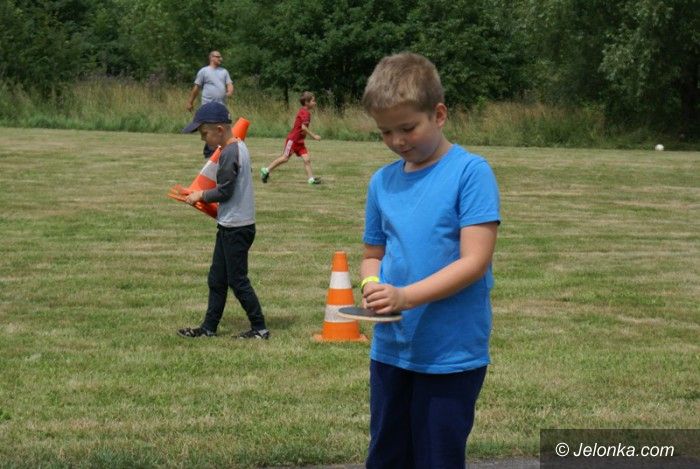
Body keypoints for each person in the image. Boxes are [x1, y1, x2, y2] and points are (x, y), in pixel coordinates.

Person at [359, 52, 500, 468]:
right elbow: (372, 255)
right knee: (386, 457)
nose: (397, 141)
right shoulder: (381, 182)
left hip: (450, 354)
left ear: (439, 114)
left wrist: (405, 296)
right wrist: (371, 286)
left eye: (407, 128)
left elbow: (474, 261)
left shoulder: (470, 172)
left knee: (437, 458)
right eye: (385, 132)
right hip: (392, 350)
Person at [177, 102, 270, 340]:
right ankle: (209, 328)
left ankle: (260, 328)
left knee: (238, 281)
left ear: (219, 129)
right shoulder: (238, 146)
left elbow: (225, 191)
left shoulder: (229, 153)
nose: (202, 139)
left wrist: (200, 195)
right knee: (217, 278)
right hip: (231, 225)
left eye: (204, 133)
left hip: (236, 228)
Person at [259, 91, 321, 185]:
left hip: (300, 142)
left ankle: (311, 179)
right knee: (285, 158)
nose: (315, 103)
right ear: (306, 102)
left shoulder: (305, 112)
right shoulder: (305, 113)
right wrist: (314, 136)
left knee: (307, 159)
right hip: (293, 140)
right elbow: (303, 128)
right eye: (313, 101)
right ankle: (266, 170)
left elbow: (303, 129)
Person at [185, 51, 234, 158]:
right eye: (218, 57)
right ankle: (209, 153)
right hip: (208, 107)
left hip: (221, 107)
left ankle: (221, 151)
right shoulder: (204, 71)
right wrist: (190, 102)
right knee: (210, 130)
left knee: (221, 129)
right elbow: (197, 88)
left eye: (220, 57)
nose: (220, 59)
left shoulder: (224, 71)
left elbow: (229, 84)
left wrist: (229, 91)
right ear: (211, 58)